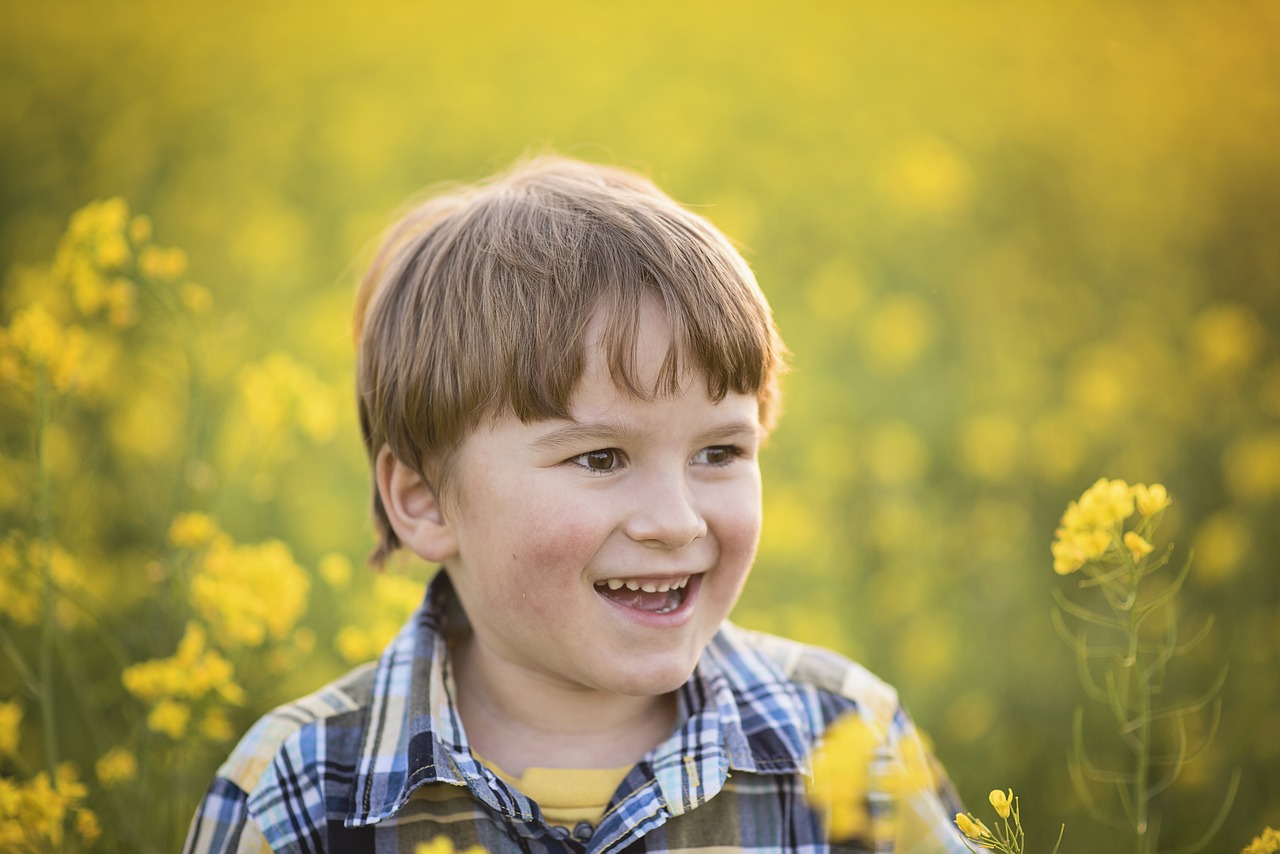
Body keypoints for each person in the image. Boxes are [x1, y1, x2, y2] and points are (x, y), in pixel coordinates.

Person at [184, 156, 970, 853]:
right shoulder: (299, 793)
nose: (676, 521)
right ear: (422, 502)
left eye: (720, 452)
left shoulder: (846, 741)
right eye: (601, 457)